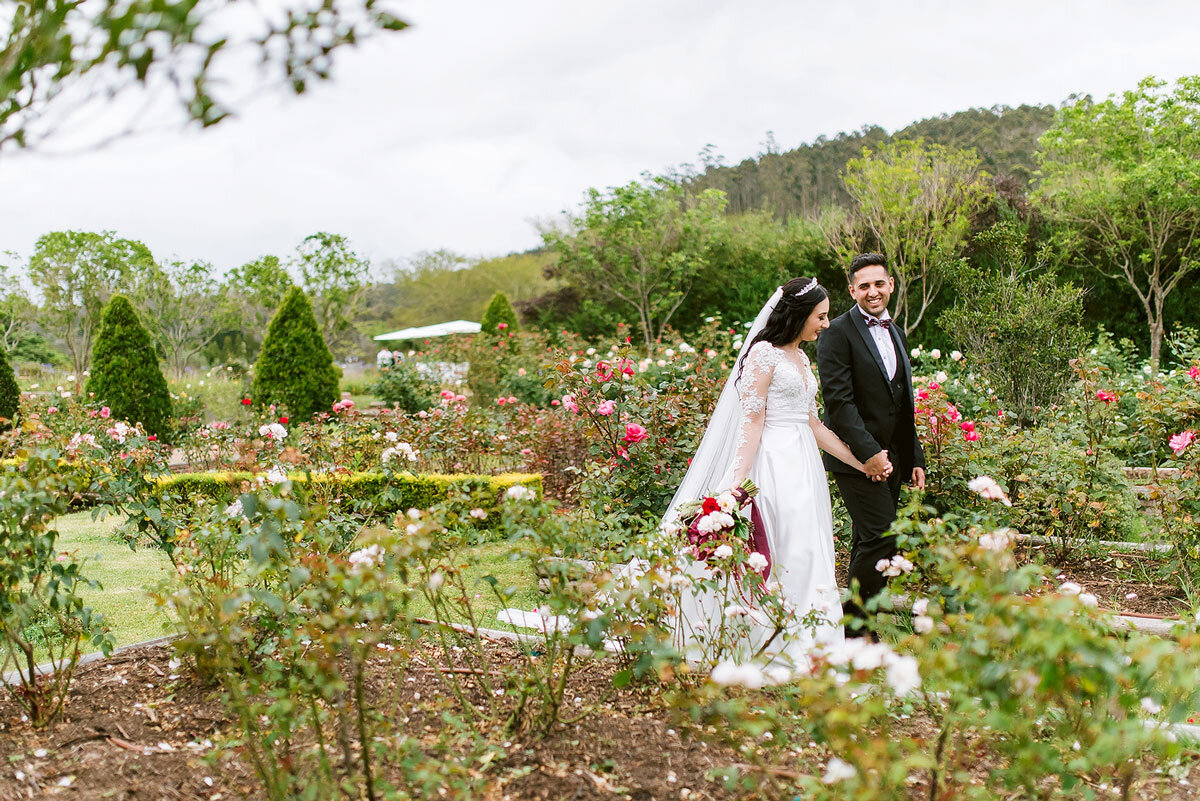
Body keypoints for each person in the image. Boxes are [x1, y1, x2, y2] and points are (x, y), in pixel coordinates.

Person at [663, 276, 884, 664]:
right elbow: (751, 421)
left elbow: (813, 424)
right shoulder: (762, 354)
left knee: (811, 546)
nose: (827, 324)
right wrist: (735, 484)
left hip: (805, 467)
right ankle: (772, 643)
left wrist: (859, 463)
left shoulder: (799, 357)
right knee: (784, 548)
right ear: (798, 316)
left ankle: (816, 644)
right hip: (774, 464)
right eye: (821, 316)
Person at [816, 253, 926, 638]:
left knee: (870, 541)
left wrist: (914, 456)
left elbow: (902, 400)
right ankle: (856, 629)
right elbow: (839, 403)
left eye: (879, 283)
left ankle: (855, 627)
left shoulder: (896, 331)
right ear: (852, 290)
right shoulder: (836, 333)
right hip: (855, 458)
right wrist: (870, 454)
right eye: (864, 285)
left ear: (891, 284)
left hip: (896, 458)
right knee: (883, 537)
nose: (872, 291)